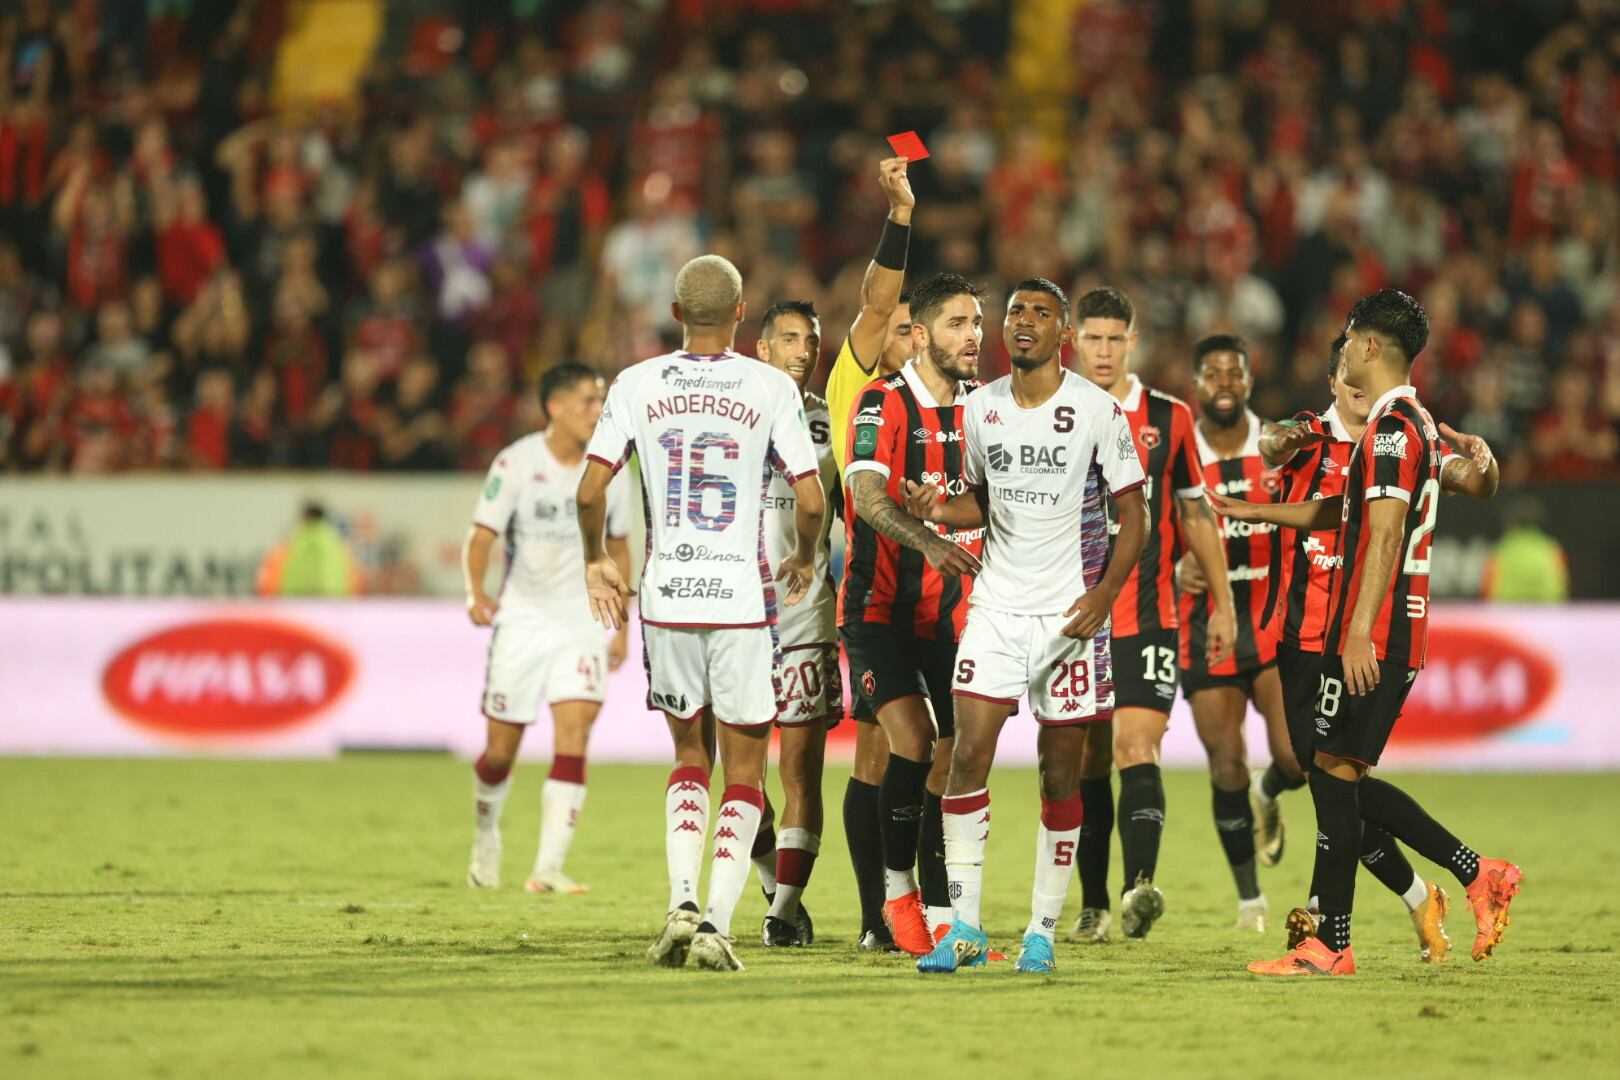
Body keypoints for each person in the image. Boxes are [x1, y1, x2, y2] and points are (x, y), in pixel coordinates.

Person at [1213, 290, 1522, 977]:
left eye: (1350, 337)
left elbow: (1382, 536)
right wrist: (1257, 511)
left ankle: (1346, 936)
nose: (1344, 348)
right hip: (1386, 632)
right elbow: (1357, 511)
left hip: (1376, 633)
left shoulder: (1389, 431)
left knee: (1334, 777)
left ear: (1371, 347)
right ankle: (1457, 883)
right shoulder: (1414, 423)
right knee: (1337, 777)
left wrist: (1357, 634)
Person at [577, 254, 825, 974]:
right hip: (741, 600)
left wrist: (597, 559)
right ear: (743, 313)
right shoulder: (771, 386)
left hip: (667, 597)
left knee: (690, 758)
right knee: (746, 771)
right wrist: (804, 554)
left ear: (677, 314)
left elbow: (589, 491)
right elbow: (810, 501)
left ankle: (680, 905)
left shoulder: (636, 383)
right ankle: (717, 922)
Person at [898, 279, 1148, 973]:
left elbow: (1136, 514)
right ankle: (964, 929)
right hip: (997, 610)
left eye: (1041, 312)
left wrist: (1104, 596)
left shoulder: (1097, 410)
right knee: (965, 756)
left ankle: (1041, 931)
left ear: (1063, 333)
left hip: (1069, 618)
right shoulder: (980, 408)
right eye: (1015, 311)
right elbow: (982, 500)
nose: (1025, 321)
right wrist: (936, 509)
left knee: (1060, 776)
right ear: (1004, 328)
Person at [1069, 288, 1235, 941]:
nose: (1104, 351)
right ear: (1074, 342)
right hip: (1075, 618)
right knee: (1085, 762)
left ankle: (1138, 888)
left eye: (1116, 338)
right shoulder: (1052, 413)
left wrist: (1221, 601)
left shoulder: (1170, 418)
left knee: (1138, 746)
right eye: (1094, 338)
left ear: (1132, 342)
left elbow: (1195, 512)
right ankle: (1093, 904)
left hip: (1148, 615)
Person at [839, 270, 985, 957]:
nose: (973, 336)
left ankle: (941, 913)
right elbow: (867, 495)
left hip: (956, 618)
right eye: (957, 324)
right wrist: (927, 538)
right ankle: (895, 899)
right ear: (922, 335)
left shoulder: (987, 407)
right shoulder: (882, 402)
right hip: (878, 612)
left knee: (953, 762)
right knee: (913, 740)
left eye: (976, 323)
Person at [462, 363, 631, 895]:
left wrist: (622, 624)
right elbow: (481, 536)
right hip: (523, 620)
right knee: (499, 753)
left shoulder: (612, 469)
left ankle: (548, 868)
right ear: (554, 407)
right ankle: (486, 833)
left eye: (601, 401)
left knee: (574, 734)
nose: (597, 411)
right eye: (587, 401)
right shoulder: (516, 462)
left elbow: (620, 544)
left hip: (582, 620)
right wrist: (476, 592)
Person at [1171, 333, 1302, 933]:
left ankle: (1268, 792)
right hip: (1206, 632)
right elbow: (1149, 530)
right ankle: (1250, 901)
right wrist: (1175, 565)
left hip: (1275, 627)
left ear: (1249, 381)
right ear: (1196, 384)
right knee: (1226, 763)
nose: (1223, 383)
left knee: (1296, 759)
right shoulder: (1181, 452)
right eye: (1212, 373)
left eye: (1234, 372)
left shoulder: (1278, 447)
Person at [823, 155, 920, 951]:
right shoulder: (854, 386)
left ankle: (930, 911)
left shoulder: (946, 399)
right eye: (899, 326)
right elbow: (878, 299)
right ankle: (875, 918)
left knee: (938, 755)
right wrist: (900, 216)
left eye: (917, 327)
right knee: (879, 751)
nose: (905, 334)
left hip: (946, 595)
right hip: (877, 588)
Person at [753, 299, 841, 947]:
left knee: (800, 770)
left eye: (810, 341)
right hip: (733, 616)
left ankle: (783, 911)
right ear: (762, 349)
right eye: (789, 339)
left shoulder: (832, 422)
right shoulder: (729, 418)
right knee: (739, 773)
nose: (803, 351)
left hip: (806, 614)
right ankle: (769, 875)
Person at [255, 502, 362, 597]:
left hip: (295, 595)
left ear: (306, 516)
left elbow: (273, 568)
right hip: (333, 595)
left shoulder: (292, 541)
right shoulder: (336, 543)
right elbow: (351, 572)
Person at [1482, 497, 1568, 602]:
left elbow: (1487, 592)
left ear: (1509, 524)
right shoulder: (1551, 549)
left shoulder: (1499, 551)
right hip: (1545, 610)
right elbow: (1561, 590)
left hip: (1505, 610)